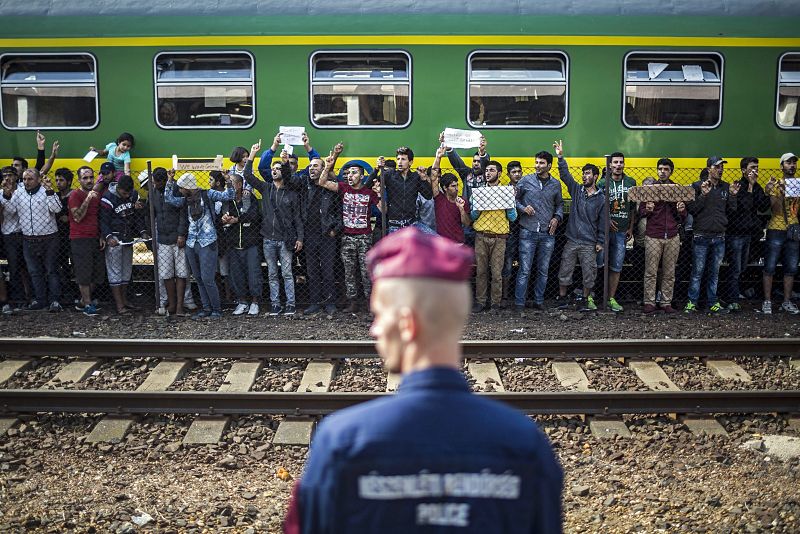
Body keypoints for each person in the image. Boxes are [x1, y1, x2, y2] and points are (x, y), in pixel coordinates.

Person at [286, 227, 563, 534]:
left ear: (407, 324)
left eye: (378, 314)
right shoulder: (525, 444)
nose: (374, 330)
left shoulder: (341, 443)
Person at [243, 141, 304, 316]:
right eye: (273, 168)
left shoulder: (291, 193)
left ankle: (290, 304)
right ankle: (275, 304)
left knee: (286, 273)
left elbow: (297, 218)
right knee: (272, 274)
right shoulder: (266, 188)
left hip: (285, 239)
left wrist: (300, 238)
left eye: (278, 168)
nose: (274, 170)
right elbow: (248, 175)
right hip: (268, 239)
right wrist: (253, 155)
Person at [165, 169, 234, 320]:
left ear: (188, 187)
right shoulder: (186, 200)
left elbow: (229, 195)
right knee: (198, 278)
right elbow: (169, 199)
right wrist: (170, 181)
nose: (181, 191)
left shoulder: (207, 194)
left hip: (208, 241)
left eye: (182, 188)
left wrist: (228, 180)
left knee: (207, 278)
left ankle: (216, 309)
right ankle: (207, 308)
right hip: (192, 242)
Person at [319, 156, 380, 313]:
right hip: (347, 237)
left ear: (361, 176)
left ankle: (369, 301)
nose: (350, 176)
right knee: (349, 271)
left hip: (365, 237)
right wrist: (328, 166)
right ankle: (353, 301)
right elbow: (323, 182)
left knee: (366, 271)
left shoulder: (369, 191)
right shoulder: (343, 188)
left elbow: (383, 210)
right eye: (348, 173)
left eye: (354, 173)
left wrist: (379, 194)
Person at [552, 140, 605, 312]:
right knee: (565, 269)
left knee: (589, 272)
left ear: (595, 176)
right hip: (572, 239)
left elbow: (603, 222)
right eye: (583, 173)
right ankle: (562, 297)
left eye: (588, 173)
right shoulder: (576, 190)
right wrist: (560, 157)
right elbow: (565, 175)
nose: (584, 176)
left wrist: (600, 241)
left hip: (589, 242)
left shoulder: (601, 199)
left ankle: (585, 298)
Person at [0, 168, 62, 311]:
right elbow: (10, 210)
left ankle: (55, 301)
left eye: (30, 179)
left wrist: (50, 191)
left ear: (38, 179)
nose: (26, 182)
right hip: (28, 239)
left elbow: (57, 209)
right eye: (25, 179)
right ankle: (40, 300)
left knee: (51, 270)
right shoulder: (20, 192)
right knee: (34, 271)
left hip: (49, 238)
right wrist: (7, 194)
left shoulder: (45, 191)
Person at [684, 156, 740, 313]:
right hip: (700, 235)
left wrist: (733, 196)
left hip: (719, 236)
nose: (720, 169)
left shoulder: (726, 187)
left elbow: (731, 211)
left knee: (714, 273)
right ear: (709, 169)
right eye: (717, 167)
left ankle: (712, 302)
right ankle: (692, 302)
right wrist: (703, 194)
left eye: (722, 167)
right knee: (697, 272)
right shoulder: (697, 186)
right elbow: (693, 210)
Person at [514, 150, 563, 311]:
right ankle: (519, 303)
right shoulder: (525, 181)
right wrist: (522, 208)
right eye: (536, 162)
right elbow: (513, 199)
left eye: (541, 163)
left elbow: (560, 204)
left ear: (549, 165)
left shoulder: (556, 184)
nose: (537, 165)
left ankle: (538, 301)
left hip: (547, 233)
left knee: (543, 270)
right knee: (525, 270)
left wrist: (557, 217)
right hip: (527, 231)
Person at [639, 158, 687, 314]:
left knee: (669, 272)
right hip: (653, 234)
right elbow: (641, 212)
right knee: (651, 271)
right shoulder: (649, 189)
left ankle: (666, 302)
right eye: (660, 169)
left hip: (672, 235)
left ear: (671, 171)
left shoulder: (677, 189)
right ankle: (649, 302)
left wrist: (681, 210)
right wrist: (648, 209)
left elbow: (684, 215)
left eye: (666, 169)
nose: (662, 171)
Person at [299, 149, 342, 315]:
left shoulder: (330, 189)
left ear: (323, 169)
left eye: (316, 166)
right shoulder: (305, 186)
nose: (312, 169)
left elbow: (340, 212)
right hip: (309, 236)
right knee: (312, 272)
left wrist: (335, 230)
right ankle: (315, 303)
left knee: (328, 271)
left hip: (326, 235)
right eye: (310, 166)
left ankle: (330, 303)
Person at [471, 160, 518, 312]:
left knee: (497, 273)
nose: (487, 173)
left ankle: (495, 303)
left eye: (491, 170)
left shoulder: (506, 192)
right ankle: (480, 301)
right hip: (481, 236)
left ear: (499, 173)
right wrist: (477, 208)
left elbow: (512, 217)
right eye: (486, 170)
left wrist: (510, 204)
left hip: (499, 238)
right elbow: (472, 216)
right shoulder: (478, 192)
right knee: (481, 272)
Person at [725, 157, 769, 311]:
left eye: (757, 167)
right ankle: (732, 299)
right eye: (752, 167)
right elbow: (744, 207)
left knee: (742, 267)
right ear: (744, 170)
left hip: (749, 234)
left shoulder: (757, 187)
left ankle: (733, 295)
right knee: (735, 268)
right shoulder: (739, 186)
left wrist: (768, 192)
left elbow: (763, 207)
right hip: (736, 233)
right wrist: (750, 186)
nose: (755, 170)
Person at [100, 175, 148, 315]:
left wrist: (142, 231)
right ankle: (119, 305)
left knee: (126, 271)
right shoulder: (107, 198)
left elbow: (137, 216)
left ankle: (124, 300)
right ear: (118, 188)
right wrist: (108, 236)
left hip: (128, 238)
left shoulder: (133, 195)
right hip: (115, 237)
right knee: (115, 271)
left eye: (129, 193)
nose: (127, 196)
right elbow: (103, 221)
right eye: (124, 193)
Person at [597, 152, 636, 312]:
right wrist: (606, 220)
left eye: (621, 162)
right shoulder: (601, 183)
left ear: (624, 164)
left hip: (621, 231)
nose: (618, 165)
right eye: (615, 162)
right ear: (610, 165)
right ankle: (595, 295)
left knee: (617, 266)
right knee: (599, 264)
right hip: (603, 232)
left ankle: (611, 298)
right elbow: (597, 208)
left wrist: (631, 227)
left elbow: (633, 208)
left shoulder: (630, 182)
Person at [761, 153, 799, 315]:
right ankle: (767, 301)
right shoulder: (775, 185)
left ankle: (786, 301)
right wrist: (780, 194)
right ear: (781, 166)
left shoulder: (798, 184)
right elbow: (775, 209)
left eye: (794, 163)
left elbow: (796, 211)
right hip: (776, 228)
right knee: (769, 266)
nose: (792, 165)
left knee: (791, 268)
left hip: (794, 229)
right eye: (788, 163)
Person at [220, 174, 263, 316]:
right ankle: (242, 302)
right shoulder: (227, 199)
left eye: (231, 183)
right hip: (233, 244)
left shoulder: (248, 197)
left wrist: (237, 219)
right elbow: (223, 216)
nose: (229, 186)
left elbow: (254, 216)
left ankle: (255, 302)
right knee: (236, 275)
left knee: (254, 274)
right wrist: (225, 218)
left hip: (250, 243)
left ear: (239, 185)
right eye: (227, 184)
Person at [149, 167, 189, 317]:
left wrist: (181, 233)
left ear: (163, 181)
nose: (155, 185)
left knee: (181, 273)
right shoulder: (153, 193)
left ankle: (179, 306)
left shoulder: (176, 190)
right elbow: (150, 214)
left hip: (176, 237)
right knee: (166, 274)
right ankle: (172, 304)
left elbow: (183, 214)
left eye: (157, 183)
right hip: (163, 238)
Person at [366, 147, 434, 233]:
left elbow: (428, 196)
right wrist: (376, 169)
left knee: (436, 238)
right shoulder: (390, 175)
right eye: (398, 159)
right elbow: (367, 186)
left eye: (403, 159)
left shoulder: (415, 177)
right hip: (394, 225)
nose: (400, 162)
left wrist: (424, 179)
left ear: (410, 162)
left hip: (412, 224)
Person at [68, 166, 105, 316]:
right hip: (80, 238)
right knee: (83, 274)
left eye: (91, 177)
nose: (89, 180)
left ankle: (83, 301)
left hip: (94, 237)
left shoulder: (97, 195)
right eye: (85, 178)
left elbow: (98, 216)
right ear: (79, 180)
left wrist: (101, 235)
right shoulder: (75, 195)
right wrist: (88, 199)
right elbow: (77, 216)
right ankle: (88, 304)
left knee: (97, 274)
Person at [0, 167, 30, 312]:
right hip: (9, 235)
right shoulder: (0, 193)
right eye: (4, 176)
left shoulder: (23, 190)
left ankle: (30, 297)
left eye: (10, 175)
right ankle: (18, 299)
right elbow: (8, 212)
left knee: (28, 267)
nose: (7, 179)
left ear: (16, 176)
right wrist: (6, 194)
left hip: (25, 234)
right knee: (14, 268)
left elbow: (18, 210)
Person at [431, 145, 471, 244]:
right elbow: (434, 178)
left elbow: (466, 224)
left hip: (458, 243)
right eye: (453, 186)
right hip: (442, 244)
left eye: (457, 185)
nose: (457, 188)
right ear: (445, 188)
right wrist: (438, 157)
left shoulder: (462, 201)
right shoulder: (439, 198)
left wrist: (461, 209)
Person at [502, 160, 524, 304]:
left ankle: (522, 296)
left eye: (519, 172)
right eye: (513, 172)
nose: (517, 174)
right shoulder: (504, 190)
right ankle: (505, 296)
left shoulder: (528, 188)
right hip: (511, 231)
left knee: (525, 265)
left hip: (526, 229)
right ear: (508, 175)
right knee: (508, 264)